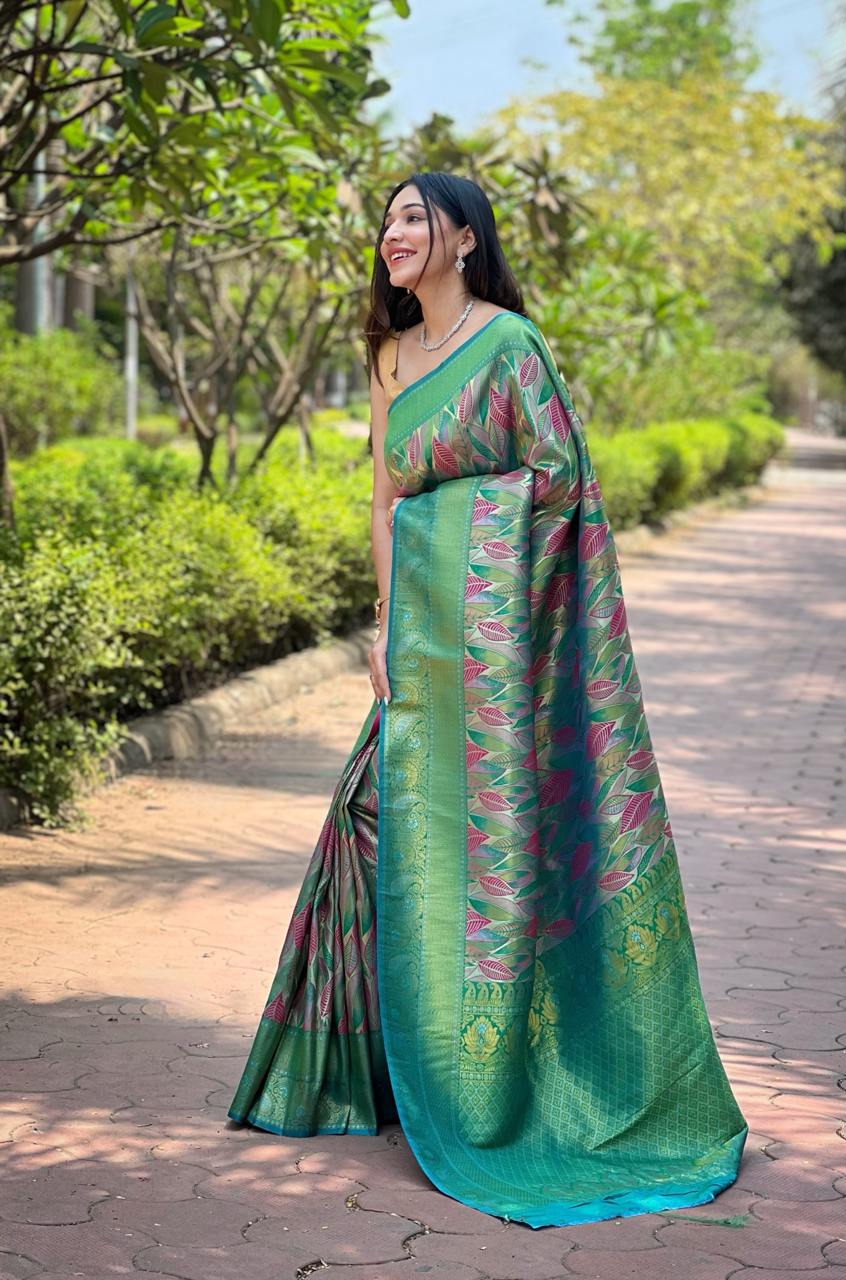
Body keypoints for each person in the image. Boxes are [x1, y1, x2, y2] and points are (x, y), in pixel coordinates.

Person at [227, 171, 748, 1228]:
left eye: (414, 216)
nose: (392, 233)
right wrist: (385, 621)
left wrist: (462, 547)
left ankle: (510, 1084)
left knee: (498, 852)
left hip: (506, 655)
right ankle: (384, 1072)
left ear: (465, 238)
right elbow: (386, 503)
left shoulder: (511, 346)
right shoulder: (388, 357)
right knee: (372, 821)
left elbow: (561, 491)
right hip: (421, 642)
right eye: (386, 219)